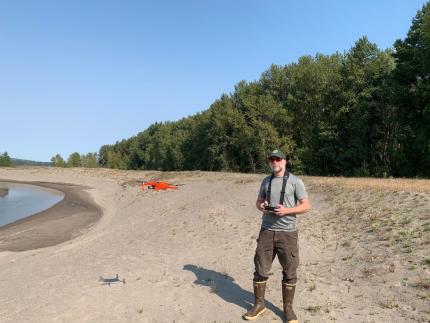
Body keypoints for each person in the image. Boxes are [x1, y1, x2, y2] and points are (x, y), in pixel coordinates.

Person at [243, 149, 310, 322]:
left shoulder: (296, 182)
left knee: (290, 270)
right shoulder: (266, 181)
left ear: (284, 161)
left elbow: (306, 206)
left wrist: (287, 211)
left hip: (288, 233)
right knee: (260, 268)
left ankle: (288, 309)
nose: (274, 162)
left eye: (278, 159)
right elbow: (258, 202)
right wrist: (262, 206)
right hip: (266, 230)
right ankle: (259, 305)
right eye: (272, 159)